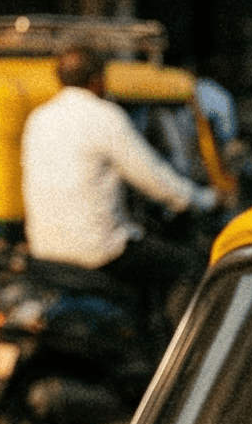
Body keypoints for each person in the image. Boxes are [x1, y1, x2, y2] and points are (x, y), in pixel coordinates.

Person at [20, 46, 215, 313]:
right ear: (98, 80)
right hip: (98, 253)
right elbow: (154, 178)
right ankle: (179, 339)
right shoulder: (104, 116)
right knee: (191, 265)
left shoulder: (38, 118)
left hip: (45, 251)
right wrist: (203, 199)